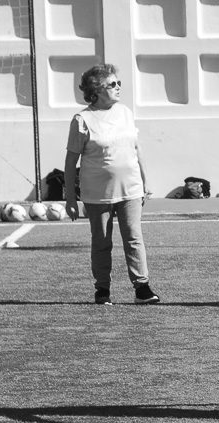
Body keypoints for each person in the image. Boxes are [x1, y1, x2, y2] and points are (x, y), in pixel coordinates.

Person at [64, 63, 160, 305]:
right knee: (102, 242)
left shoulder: (125, 112)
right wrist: (70, 199)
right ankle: (102, 290)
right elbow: (70, 160)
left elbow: (136, 148)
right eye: (112, 84)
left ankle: (142, 288)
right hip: (97, 194)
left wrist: (145, 180)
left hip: (131, 189)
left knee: (134, 237)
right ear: (96, 90)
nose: (118, 87)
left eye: (119, 83)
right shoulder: (82, 119)